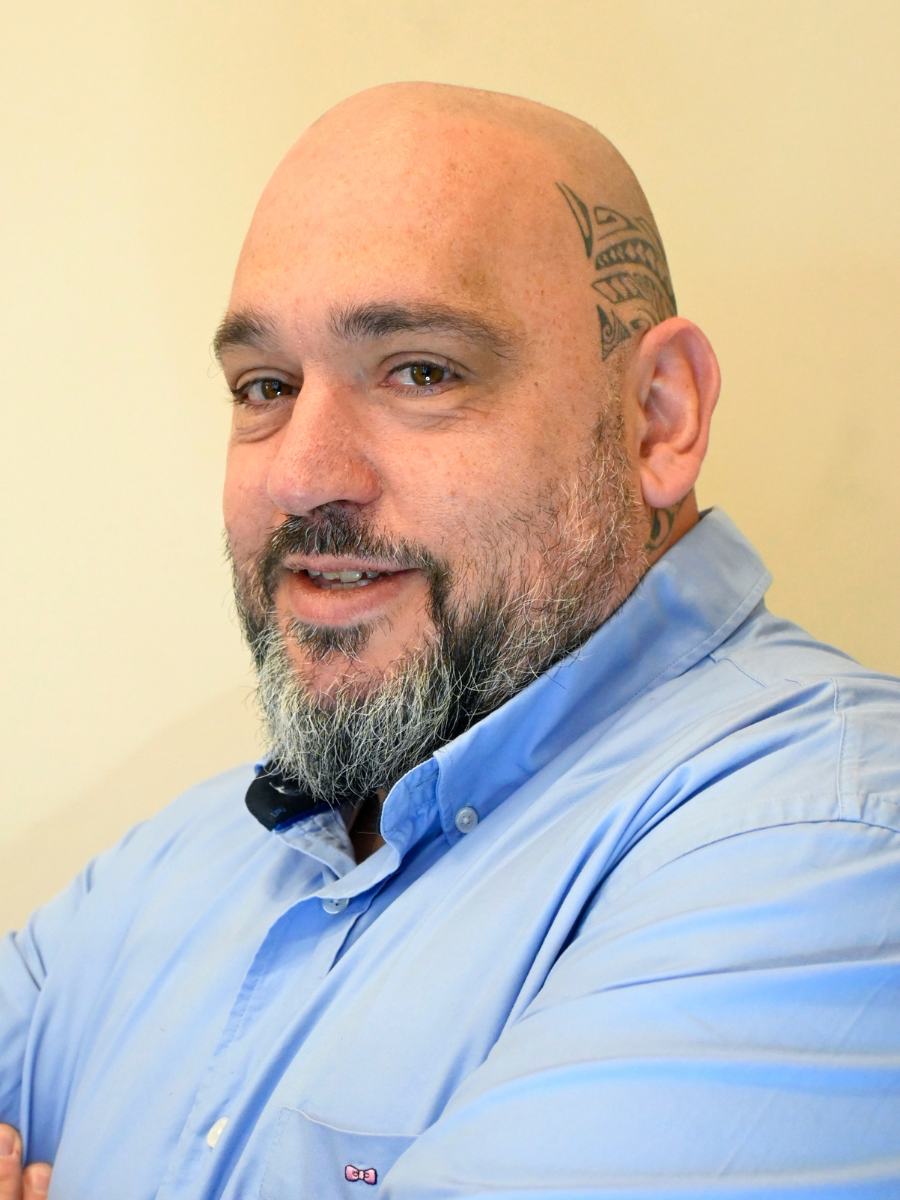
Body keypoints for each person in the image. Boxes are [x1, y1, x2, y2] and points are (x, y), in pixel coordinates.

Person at [1, 82, 898, 1200]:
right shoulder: (178, 865)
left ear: (658, 417)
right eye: (265, 386)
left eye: (420, 371)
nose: (302, 475)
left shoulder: (830, 846)